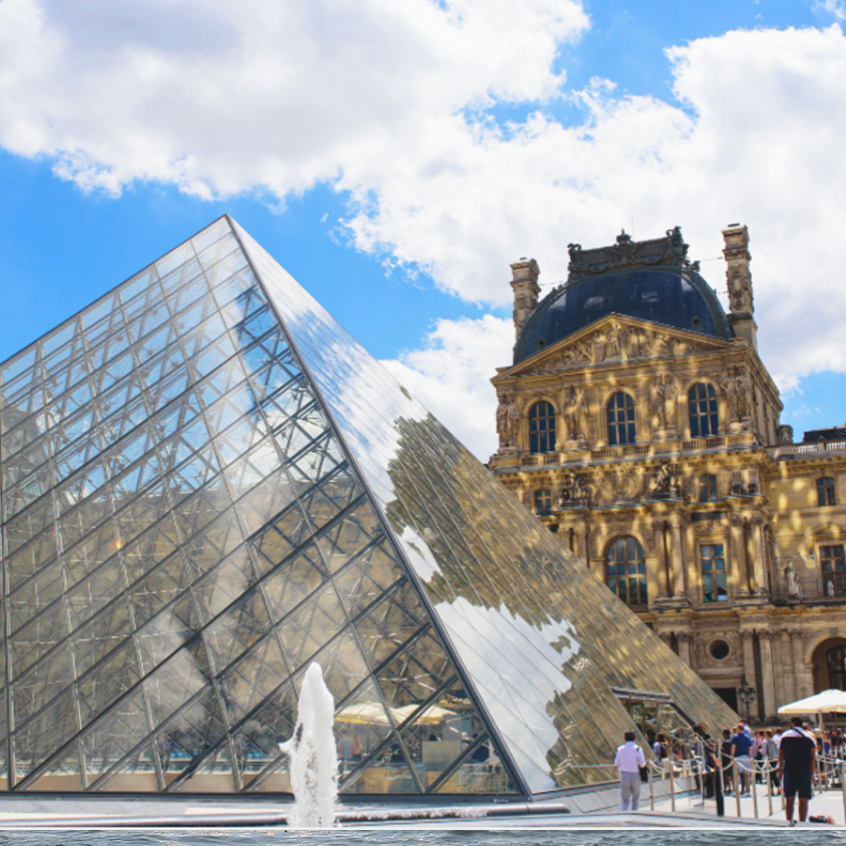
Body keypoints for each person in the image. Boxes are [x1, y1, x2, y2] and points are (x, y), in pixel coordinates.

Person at [778, 716, 817, 825]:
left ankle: (789, 821)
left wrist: (780, 769)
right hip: (804, 771)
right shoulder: (809, 737)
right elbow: (813, 756)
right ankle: (802, 823)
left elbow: (781, 754)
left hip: (790, 770)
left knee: (789, 799)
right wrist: (813, 773)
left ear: (792, 723)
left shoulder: (785, 736)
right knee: (803, 799)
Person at [614, 730, 646, 812]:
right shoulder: (638, 749)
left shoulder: (620, 749)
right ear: (634, 739)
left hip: (624, 775)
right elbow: (642, 764)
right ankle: (634, 816)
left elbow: (617, 763)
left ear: (625, 739)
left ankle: (623, 815)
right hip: (636, 775)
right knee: (635, 800)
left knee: (625, 800)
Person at [730, 723, 753, 795]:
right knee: (746, 774)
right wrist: (749, 757)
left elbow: (733, 747)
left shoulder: (735, 737)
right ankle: (748, 790)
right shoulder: (747, 737)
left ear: (738, 729)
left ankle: (735, 790)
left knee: (736, 775)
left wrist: (732, 757)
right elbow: (750, 749)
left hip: (737, 757)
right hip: (745, 756)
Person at [721, 729, 734, 794]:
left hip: (726, 759)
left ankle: (727, 788)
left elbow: (725, 750)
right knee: (731, 774)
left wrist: (719, 748)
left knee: (726, 774)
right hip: (731, 759)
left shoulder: (726, 742)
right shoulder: (732, 740)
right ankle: (732, 787)